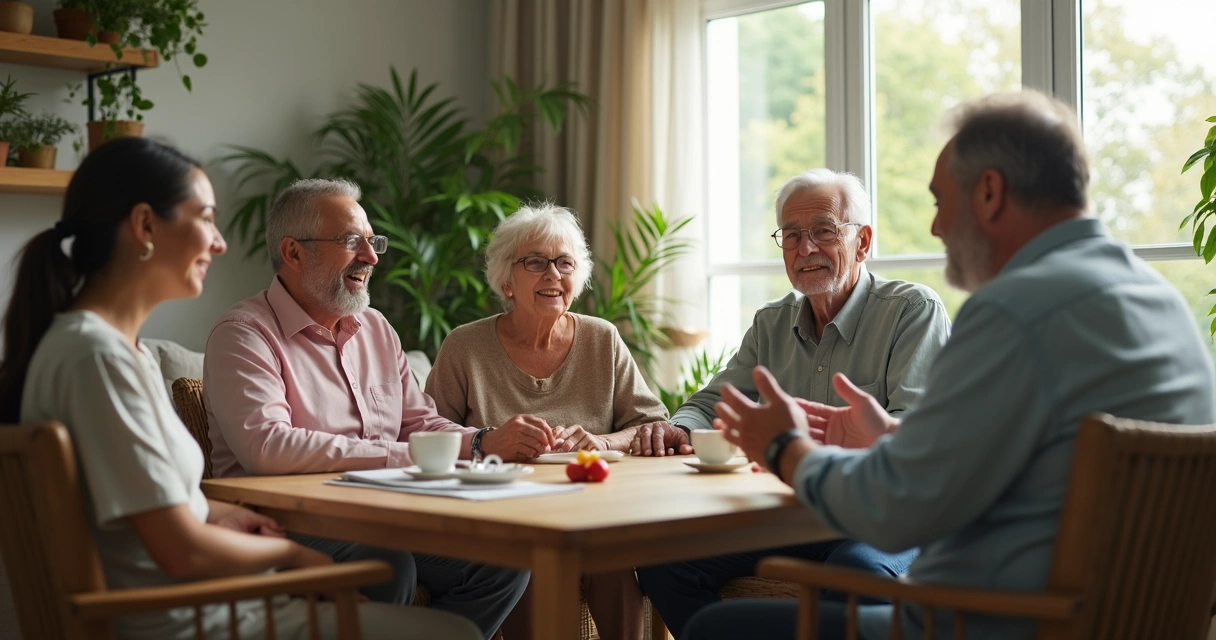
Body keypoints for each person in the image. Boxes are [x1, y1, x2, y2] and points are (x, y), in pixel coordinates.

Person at [684, 90, 1216, 640]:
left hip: (978, 624)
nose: (936, 228)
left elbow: (897, 510)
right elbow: (1017, 457)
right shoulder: (1158, 300)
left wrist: (782, 448)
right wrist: (895, 434)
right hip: (1112, 623)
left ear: (989, 191)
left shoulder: (1017, 309)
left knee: (716, 627)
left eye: (940, 201)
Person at [0, 138, 479, 640]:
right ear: (144, 226)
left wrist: (218, 511)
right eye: (206, 218)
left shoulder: (104, 350)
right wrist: (294, 554)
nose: (220, 242)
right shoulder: (96, 358)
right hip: (192, 620)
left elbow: (143, 507)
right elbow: (183, 551)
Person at [202, 179, 528, 639]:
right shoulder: (244, 334)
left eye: (373, 242)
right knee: (383, 566)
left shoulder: (376, 328)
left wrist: (481, 443)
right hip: (286, 524)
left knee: (503, 561)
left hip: (382, 515)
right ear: (294, 253)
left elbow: (417, 421)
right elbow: (267, 448)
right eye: (352, 242)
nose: (372, 257)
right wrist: (409, 455)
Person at [635, 169, 951, 639]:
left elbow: (913, 435)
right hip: (787, 519)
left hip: (884, 518)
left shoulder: (912, 311)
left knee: (855, 569)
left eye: (824, 231)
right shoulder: (771, 322)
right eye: (791, 235)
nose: (805, 249)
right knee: (663, 562)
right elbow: (713, 401)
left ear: (862, 242)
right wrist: (681, 427)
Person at [426, 203, 671, 640]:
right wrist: (489, 441)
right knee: (531, 566)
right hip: (504, 522)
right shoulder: (465, 347)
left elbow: (652, 423)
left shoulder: (601, 338)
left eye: (564, 263)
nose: (553, 275)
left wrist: (603, 441)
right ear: (507, 279)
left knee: (613, 561)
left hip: (592, 518)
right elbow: (427, 439)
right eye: (535, 263)